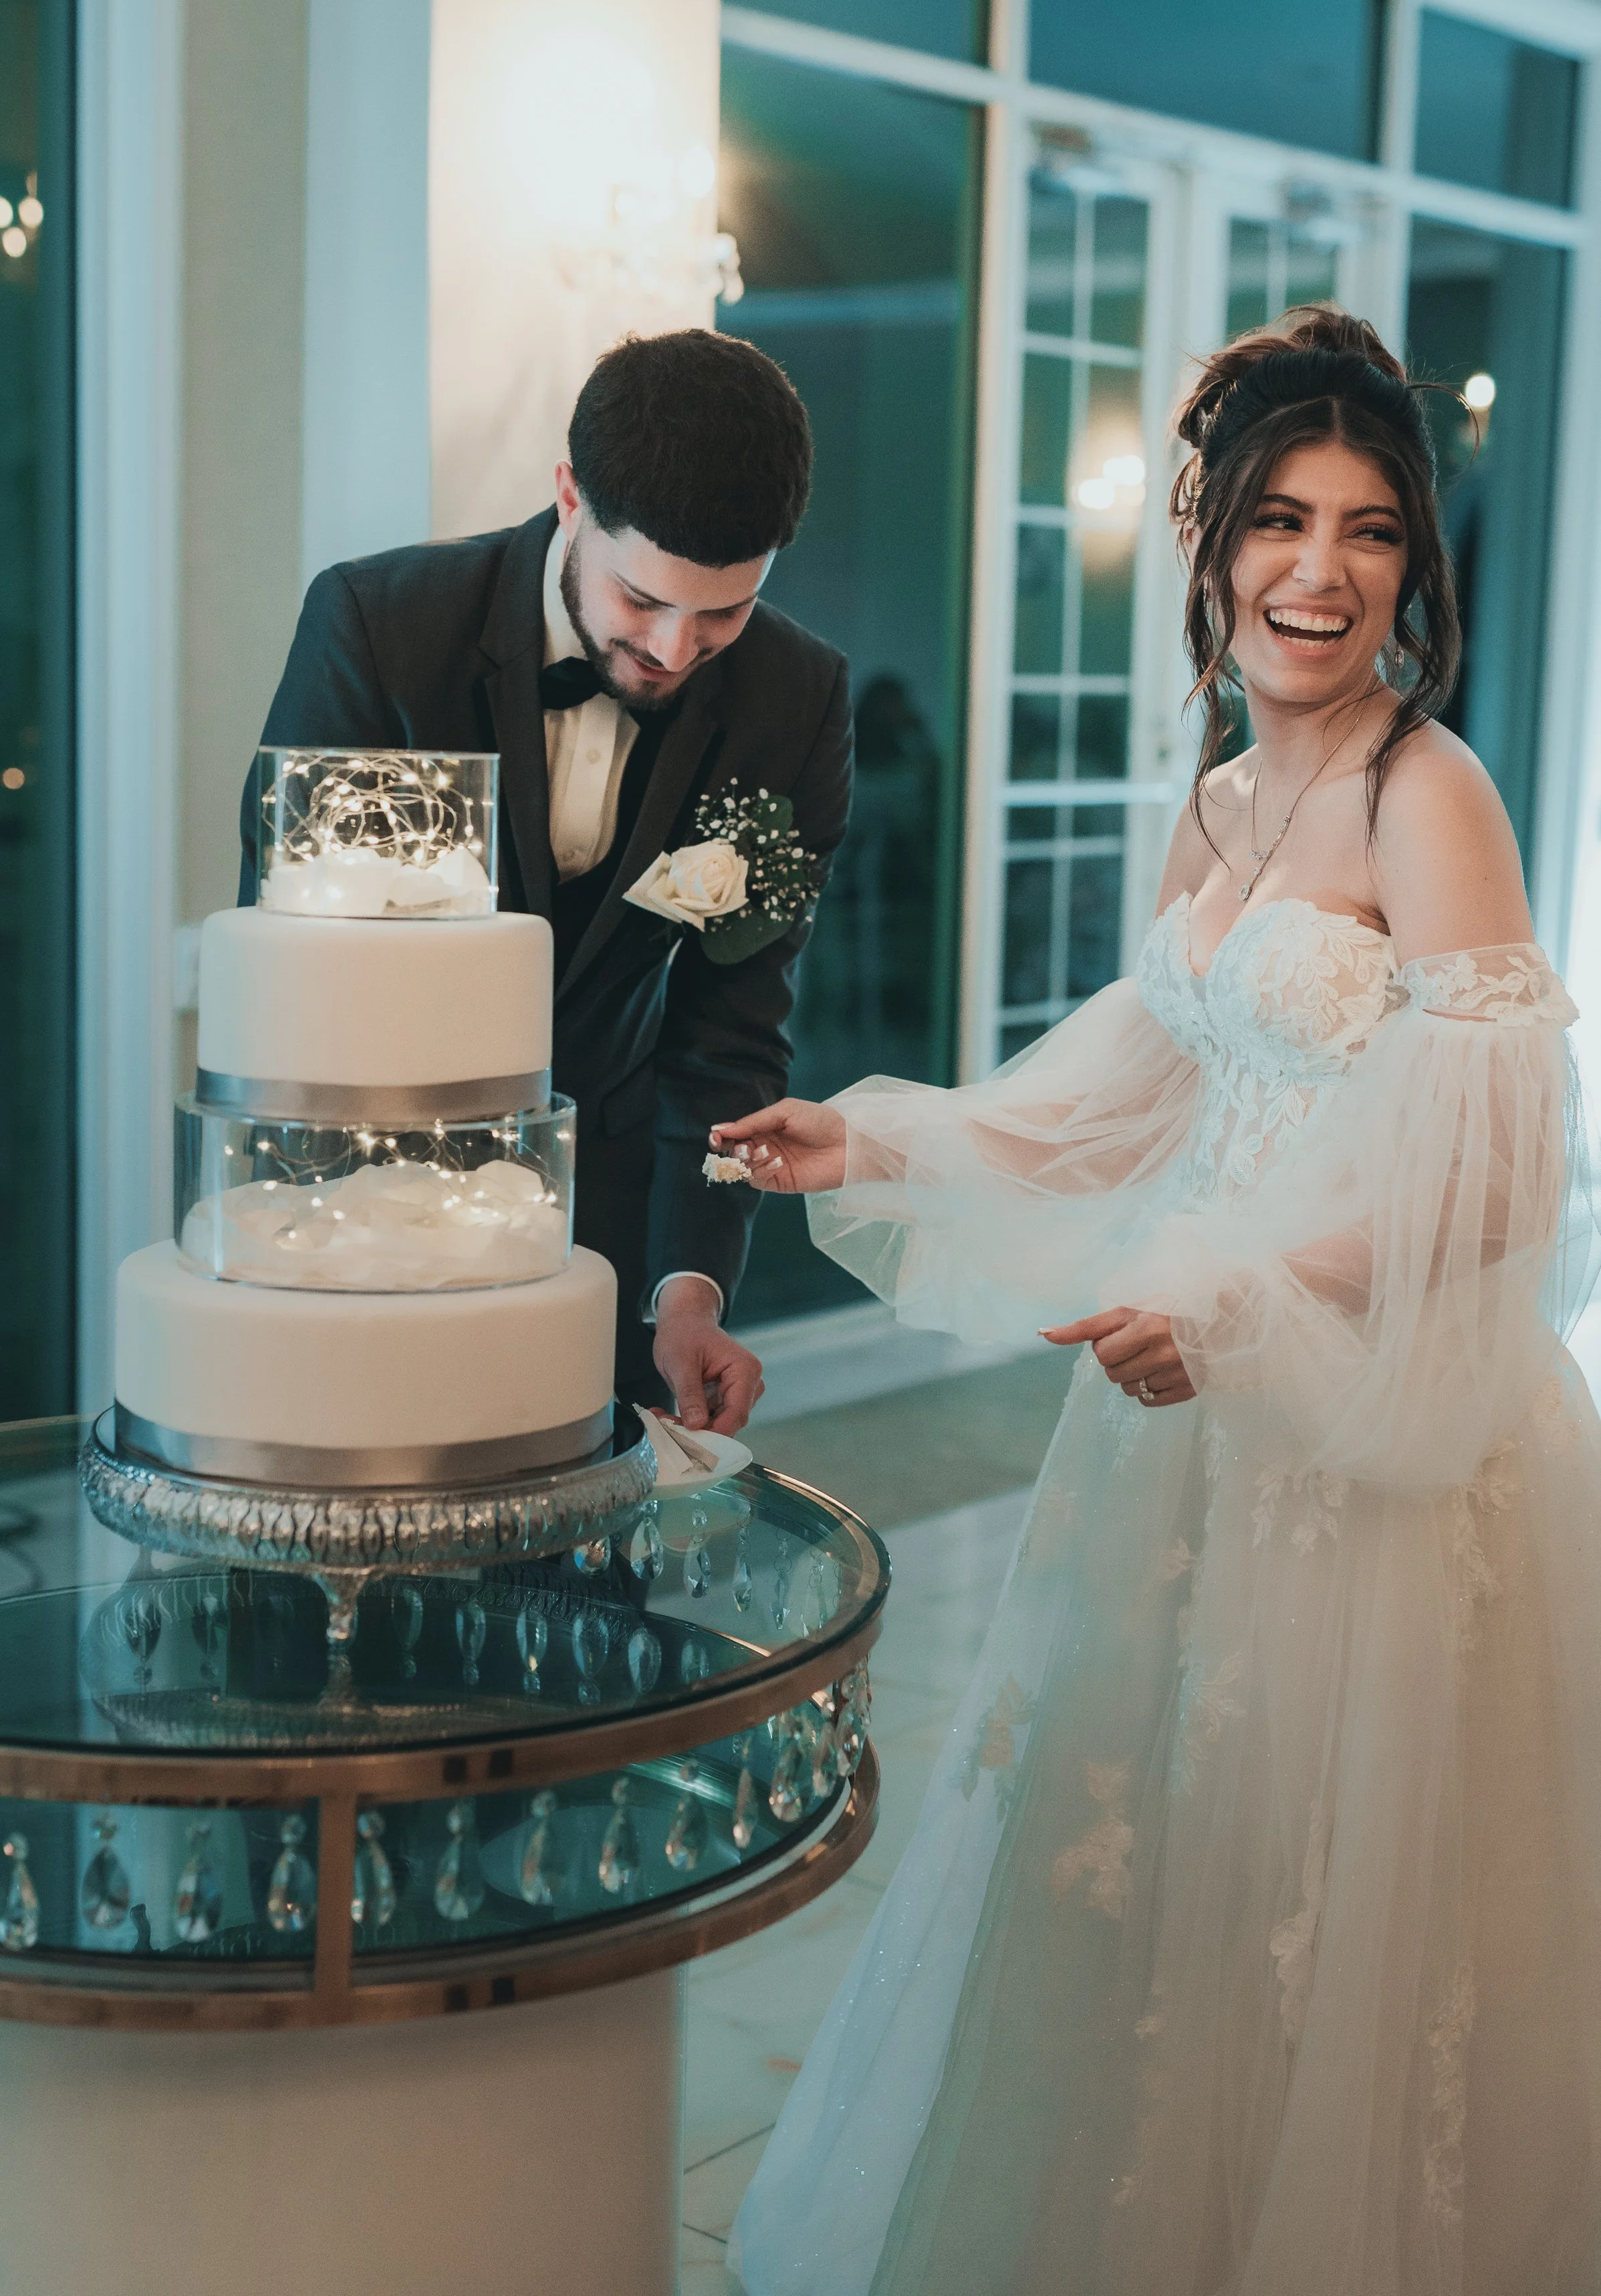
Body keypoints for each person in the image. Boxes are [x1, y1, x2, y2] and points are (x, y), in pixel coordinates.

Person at [719, 308, 1601, 2293]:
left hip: (1366, 1419)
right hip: (1194, 1416)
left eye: (1370, 532)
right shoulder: (1217, 801)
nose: (1318, 570)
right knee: (1159, 1868)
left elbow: (1509, 1175)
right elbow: (1126, 1101)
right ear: (1208, 557)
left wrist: (1246, 1310)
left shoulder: (1425, 792)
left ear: (1415, 573)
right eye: (1278, 522)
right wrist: (865, 1146)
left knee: (1343, 1905)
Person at [239, 329, 852, 1426]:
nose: (675, 647)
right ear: (570, 494)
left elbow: (731, 1033)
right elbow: (306, 973)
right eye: (641, 601)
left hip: (610, 1234)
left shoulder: (794, 698)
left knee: (586, 1584)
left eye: (724, 612)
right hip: (359, 1210)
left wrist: (689, 1286)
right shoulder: (380, 630)